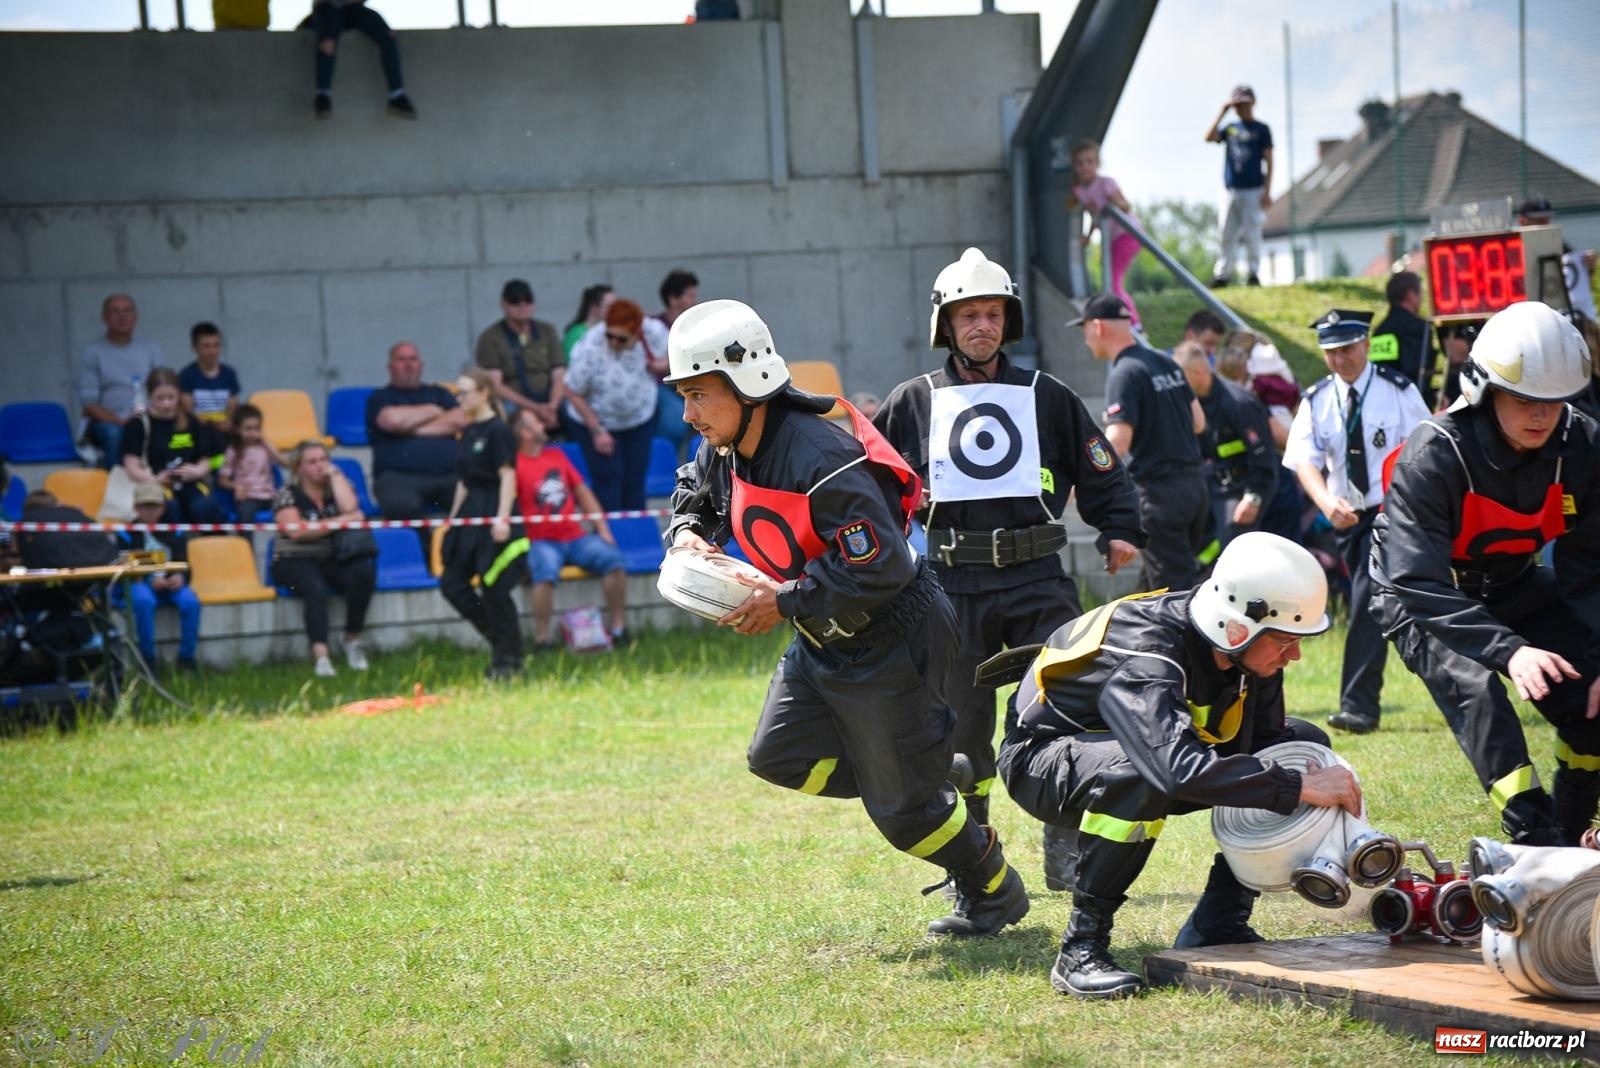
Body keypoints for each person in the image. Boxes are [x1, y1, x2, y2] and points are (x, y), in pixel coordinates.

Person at [665, 298, 1029, 938]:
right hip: (823, 637)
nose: (689, 414)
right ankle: (928, 774)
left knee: (905, 819)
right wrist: (690, 531)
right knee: (778, 755)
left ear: (747, 384)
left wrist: (779, 601)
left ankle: (994, 889)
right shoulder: (726, 445)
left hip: (895, 640)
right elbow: (695, 492)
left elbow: (881, 567)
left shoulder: (822, 458)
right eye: (685, 397)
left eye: (698, 396)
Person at [874, 247, 1143, 889]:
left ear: (1008, 321)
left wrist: (1121, 528)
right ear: (947, 325)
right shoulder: (911, 402)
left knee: (1066, 703)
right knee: (959, 729)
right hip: (949, 584)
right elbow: (870, 482)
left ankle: (1067, 847)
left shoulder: (1046, 395)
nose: (981, 326)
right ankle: (974, 863)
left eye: (992, 314)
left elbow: (1099, 464)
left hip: (1037, 576)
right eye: (968, 315)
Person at [994, 532, 1360, 999]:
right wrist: (1296, 787)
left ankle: (1219, 922)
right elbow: (1172, 769)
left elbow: (1266, 749)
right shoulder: (1148, 652)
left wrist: (1294, 776)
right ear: (1236, 629)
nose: (1295, 655)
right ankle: (1080, 950)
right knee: (1139, 775)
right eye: (1286, 642)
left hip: (1139, 751)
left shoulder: (1242, 647)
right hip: (1039, 760)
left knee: (1302, 748)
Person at [1371, 301, 1600, 846]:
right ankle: (1529, 828)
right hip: (1421, 594)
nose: (1543, 416)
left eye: (1554, 402)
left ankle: (1569, 834)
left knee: (1591, 687)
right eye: (1524, 401)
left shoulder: (1583, 445)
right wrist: (1510, 651)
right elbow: (1418, 580)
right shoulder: (1433, 454)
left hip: (1512, 582)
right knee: (1479, 691)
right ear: (1483, 390)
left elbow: (1590, 562)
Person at [1283, 309, 1430, 735]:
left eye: (1347, 349)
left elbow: (1425, 450)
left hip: (1394, 511)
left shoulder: (1397, 392)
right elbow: (1305, 462)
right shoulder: (1317, 401)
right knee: (1394, 604)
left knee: (1369, 599)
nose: (1340, 359)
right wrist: (1326, 502)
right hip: (1346, 518)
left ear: (1366, 344)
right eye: (1330, 352)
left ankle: (1359, 706)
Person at [1074, 292, 1206, 593]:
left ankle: (1188, 641)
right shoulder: (1165, 360)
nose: (1085, 339)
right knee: (1152, 586)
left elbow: (1118, 441)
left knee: (1174, 593)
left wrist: (1084, 477)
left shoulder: (1123, 374)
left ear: (1098, 326)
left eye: (1084, 330)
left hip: (1161, 496)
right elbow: (1198, 422)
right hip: (1195, 489)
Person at [512, 408, 629, 652]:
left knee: (614, 560)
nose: (543, 426)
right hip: (540, 540)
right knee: (543, 572)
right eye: (536, 422)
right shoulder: (514, 465)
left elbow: (583, 493)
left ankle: (619, 629)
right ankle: (542, 639)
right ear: (524, 433)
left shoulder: (556, 455)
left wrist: (602, 529)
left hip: (576, 536)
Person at [439, 369, 526, 680]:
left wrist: (503, 518)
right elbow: (465, 480)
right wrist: (453, 518)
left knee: (495, 590)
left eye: (464, 393)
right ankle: (499, 642)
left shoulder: (498, 429)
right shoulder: (468, 430)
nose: (459, 399)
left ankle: (510, 660)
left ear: (484, 393)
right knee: (452, 584)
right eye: (457, 394)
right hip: (470, 515)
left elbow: (507, 475)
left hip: (494, 511)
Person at [270, 440, 374, 678]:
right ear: (299, 468)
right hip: (292, 558)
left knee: (363, 574)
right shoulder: (286, 493)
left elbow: (351, 508)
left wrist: (336, 475)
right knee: (314, 587)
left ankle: (351, 639)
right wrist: (339, 521)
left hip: (331, 556)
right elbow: (297, 531)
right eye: (312, 462)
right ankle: (321, 657)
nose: (320, 466)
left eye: (324, 460)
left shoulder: (337, 486)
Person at [1173, 341, 1277, 559]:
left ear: (1200, 372)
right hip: (1214, 486)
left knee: (1234, 552)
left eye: (1182, 378)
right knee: (1199, 547)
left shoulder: (1239, 403)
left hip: (1245, 489)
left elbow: (1264, 457)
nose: (1178, 385)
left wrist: (1254, 497)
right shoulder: (1194, 403)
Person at [563, 300, 665, 512]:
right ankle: (610, 536)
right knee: (609, 478)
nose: (614, 342)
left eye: (622, 339)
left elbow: (677, 354)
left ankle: (634, 536)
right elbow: (573, 391)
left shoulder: (653, 331)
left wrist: (660, 366)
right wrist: (598, 431)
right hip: (597, 420)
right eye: (610, 336)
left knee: (635, 477)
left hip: (639, 417)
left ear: (637, 333)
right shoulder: (591, 344)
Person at [366, 341, 467, 522]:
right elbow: (393, 421)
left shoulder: (439, 392)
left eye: (413, 359)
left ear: (421, 365)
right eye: (401, 359)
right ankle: (424, 548)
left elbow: (462, 419)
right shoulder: (380, 397)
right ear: (390, 367)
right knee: (400, 506)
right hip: (399, 478)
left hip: (449, 475)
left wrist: (410, 428)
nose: (408, 364)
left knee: (478, 498)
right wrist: (434, 410)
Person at [121, 367, 228, 527]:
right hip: (154, 483)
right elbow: (132, 466)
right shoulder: (138, 425)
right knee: (168, 508)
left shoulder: (192, 422)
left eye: (171, 397)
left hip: (191, 483)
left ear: (179, 395)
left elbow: (206, 459)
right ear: (150, 396)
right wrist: (156, 479)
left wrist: (197, 471)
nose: (166, 403)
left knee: (205, 507)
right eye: (160, 398)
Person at [117, 481, 202, 673]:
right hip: (140, 583)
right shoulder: (125, 533)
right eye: (145, 506)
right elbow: (124, 566)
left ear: (163, 508)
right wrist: (149, 579)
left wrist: (179, 577)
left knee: (191, 602)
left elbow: (185, 563)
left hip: (171, 584)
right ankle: (148, 660)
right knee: (143, 600)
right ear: (136, 508)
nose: (150, 511)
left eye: (154, 506)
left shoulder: (175, 531)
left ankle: (187, 659)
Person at [76, 293, 165, 469]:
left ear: (135, 317)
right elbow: (89, 405)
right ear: (104, 318)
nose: (122, 316)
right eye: (115, 311)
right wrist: (121, 421)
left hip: (148, 415)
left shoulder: (151, 349)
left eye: (127, 311)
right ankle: (116, 486)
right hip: (109, 422)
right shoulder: (93, 352)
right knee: (115, 434)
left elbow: (163, 389)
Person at [1066, 139, 1144, 329]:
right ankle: (1129, 322)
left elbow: (1125, 205)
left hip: (1127, 234)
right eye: (1080, 163)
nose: (1085, 167)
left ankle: (1134, 324)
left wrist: (1113, 204)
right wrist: (1088, 235)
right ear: (1075, 167)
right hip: (1111, 237)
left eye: (1089, 162)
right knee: (1110, 279)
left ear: (1097, 164)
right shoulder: (1080, 190)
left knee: (1113, 281)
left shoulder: (1106, 183)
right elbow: (1095, 215)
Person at [474, 279, 566, 430]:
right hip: (513, 402)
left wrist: (552, 406)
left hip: (549, 400)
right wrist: (536, 408)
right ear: (503, 305)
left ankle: (578, 452)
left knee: (574, 410)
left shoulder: (547, 331)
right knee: (522, 418)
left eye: (528, 300)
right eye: (515, 301)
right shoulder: (490, 338)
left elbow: (559, 374)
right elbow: (496, 386)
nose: (522, 306)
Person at [1205, 85, 1273, 288]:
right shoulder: (1230, 128)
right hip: (1231, 189)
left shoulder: (1261, 129)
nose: (1241, 108)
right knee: (1226, 232)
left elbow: (1269, 160)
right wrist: (1222, 111)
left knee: (1252, 231)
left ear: (1253, 103)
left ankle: (1253, 273)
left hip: (1253, 188)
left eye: (1245, 103)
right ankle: (1223, 274)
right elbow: (1209, 137)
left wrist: (1267, 190)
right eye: (1238, 104)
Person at [310, 0, 416, 120]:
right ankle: (322, 95)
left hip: (354, 9)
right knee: (328, 41)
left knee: (388, 36)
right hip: (327, 10)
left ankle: (397, 95)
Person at [1516, 197, 1598, 322]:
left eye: (1546, 219)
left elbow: (1574, 283)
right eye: (1538, 220)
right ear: (1522, 221)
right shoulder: (1511, 247)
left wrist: (1588, 268)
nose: (1544, 224)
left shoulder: (1559, 245)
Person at [1370, 272, 1439, 409]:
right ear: (1410, 295)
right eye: (1419, 293)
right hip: (1412, 405)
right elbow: (1416, 372)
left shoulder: (1379, 331)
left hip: (1382, 404)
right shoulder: (1418, 327)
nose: (1422, 298)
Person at [653, 270, 700, 446]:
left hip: (693, 383)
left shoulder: (698, 327)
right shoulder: (653, 327)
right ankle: (664, 460)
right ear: (673, 299)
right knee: (674, 420)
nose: (695, 300)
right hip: (661, 385)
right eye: (690, 295)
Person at [217, 403, 286, 523]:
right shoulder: (233, 450)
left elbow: (286, 463)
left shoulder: (265, 447)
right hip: (248, 497)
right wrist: (236, 486)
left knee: (290, 509)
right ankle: (246, 542)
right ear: (238, 429)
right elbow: (222, 480)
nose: (253, 433)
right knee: (245, 514)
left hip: (269, 496)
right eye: (248, 429)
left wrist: (267, 444)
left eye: (257, 428)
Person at [178, 322, 242, 431]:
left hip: (224, 431)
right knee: (178, 442)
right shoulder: (186, 375)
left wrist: (227, 423)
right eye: (207, 346)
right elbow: (187, 412)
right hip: (197, 431)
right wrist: (212, 424)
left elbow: (233, 409)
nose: (213, 351)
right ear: (194, 348)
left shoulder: (229, 374)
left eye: (216, 345)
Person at [564, 284, 615, 358]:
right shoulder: (576, 333)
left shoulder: (611, 330)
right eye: (609, 306)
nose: (615, 310)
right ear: (593, 307)